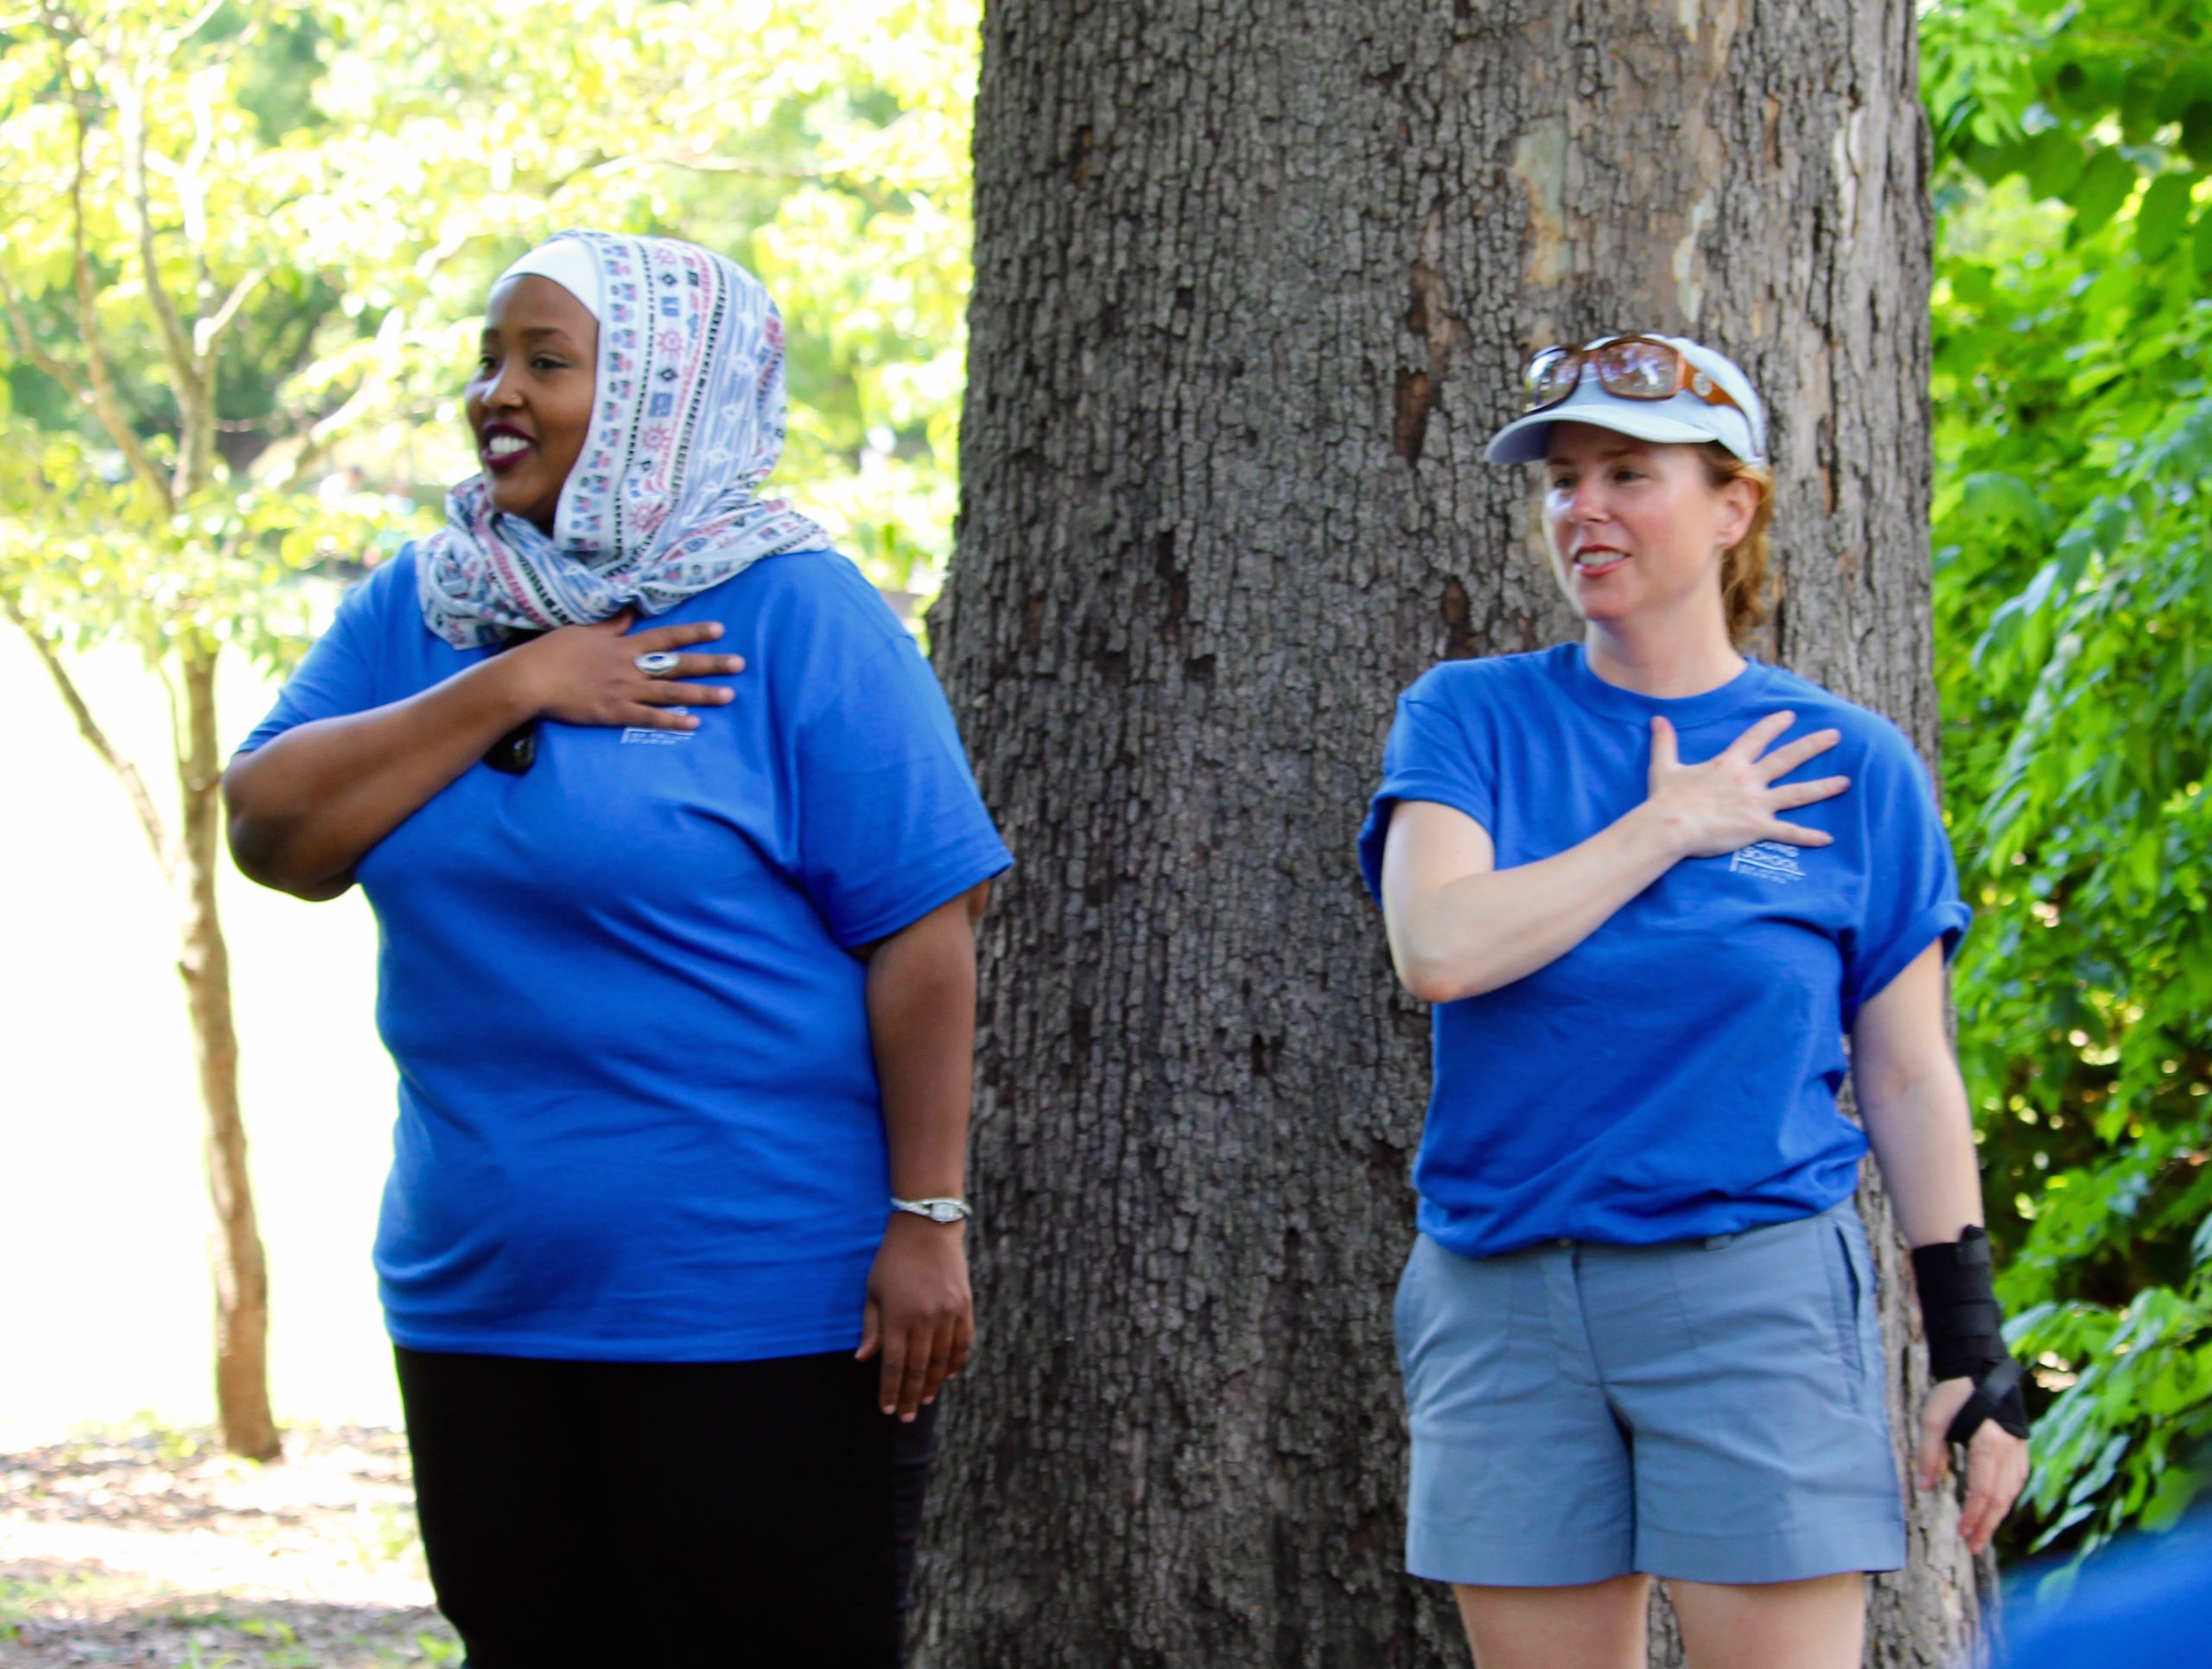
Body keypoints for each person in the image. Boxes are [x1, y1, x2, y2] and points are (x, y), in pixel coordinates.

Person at [223, 230, 1011, 1668]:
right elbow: (275, 834)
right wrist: (515, 682)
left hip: (758, 1304)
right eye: (489, 361)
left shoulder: (794, 610)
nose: (494, 396)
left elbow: (925, 937)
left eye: (546, 361)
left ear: (663, 392)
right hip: (483, 1290)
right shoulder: (431, 607)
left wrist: (930, 1221)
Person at [1357, 335, 2031, 1669]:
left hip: (1752, 1295)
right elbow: (1438, 947)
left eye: (1626, 472)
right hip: (1503, 1297)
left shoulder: (1850, 764)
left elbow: (1905, 1076)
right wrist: (1667, 827)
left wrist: (1972, 1347)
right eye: (1560, 479)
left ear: (1733, 507)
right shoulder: (1470, 718)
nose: (1581, 509)